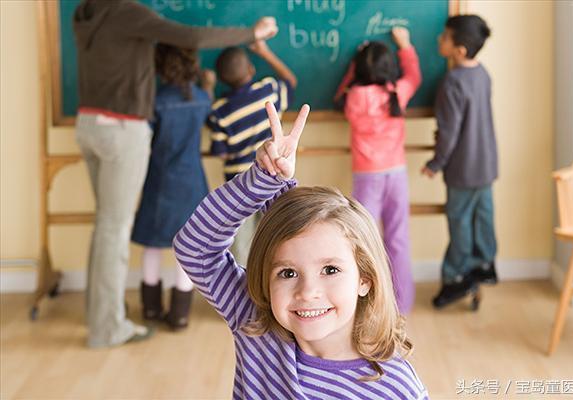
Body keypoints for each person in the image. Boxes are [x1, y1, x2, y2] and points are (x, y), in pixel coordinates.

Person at [173, 102, 429, 399]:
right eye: (288, 272)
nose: (308, 292)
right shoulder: (254, 321)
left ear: (365, 279)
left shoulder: (394, 387)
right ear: (267, 280)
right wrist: (264, 181)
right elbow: (195, 248)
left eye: (330, 270)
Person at [73, 0, 278, 347]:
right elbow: (190, 36)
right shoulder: (125, 12)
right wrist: (252, 33)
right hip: (122, 129)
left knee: (106, 224)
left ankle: (100, 313)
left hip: (88, 124)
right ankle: (107, 327)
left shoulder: (85, 13)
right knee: (113, 227)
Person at [334, 27, 422, 314]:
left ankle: (369, 302)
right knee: (398, 238)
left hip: (367, 175)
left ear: (359, 70)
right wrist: (405, 46)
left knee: (363, 238)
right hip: (396, 173)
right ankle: (402, 303)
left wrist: (352, 66)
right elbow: (414, 77)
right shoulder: (396, 93)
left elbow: (340, 91)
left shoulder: (354, 97)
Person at [130, 44, 215, 330]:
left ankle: (151, 309)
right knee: (186, 249)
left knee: (153, 245)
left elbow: (144, 137)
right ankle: (180, 313)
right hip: (192, 182)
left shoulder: (155, 100)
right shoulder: (201, 98)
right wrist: (209, 86)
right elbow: (208, 113)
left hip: (160, 180)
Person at [421, 15, 498, 309]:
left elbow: (450, 134)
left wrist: (435, 163)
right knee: (483, 217)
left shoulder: (452, 82)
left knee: (460, 223)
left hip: (463, 169)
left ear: (460, 50)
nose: (439, 41)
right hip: (486, 163)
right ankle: (485, 264)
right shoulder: (483, 74)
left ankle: (455, 279)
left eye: (445, 38)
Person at [207, 40, 297, 265]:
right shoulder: (269, 90)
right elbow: (291, 81)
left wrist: (207, 88)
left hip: (240, 188)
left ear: (222, 79)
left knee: (243, 250)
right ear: (251, 69)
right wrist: (266, 52)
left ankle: (246, 294)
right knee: (277, 242)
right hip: (273, 180)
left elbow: (221, 153)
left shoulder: (220, 110)